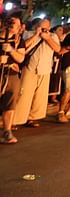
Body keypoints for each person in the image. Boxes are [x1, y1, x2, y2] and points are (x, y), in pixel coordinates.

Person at [14, 17, 60, 128]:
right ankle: (17, 119)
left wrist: (48, 38)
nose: (44, 30)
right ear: (37, 26)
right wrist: (36, 35)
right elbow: (24, 46)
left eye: (46, 28)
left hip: (44, 69)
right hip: (30, 68)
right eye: (41, 27)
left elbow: (57, 49)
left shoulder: (53, 36)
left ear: (49, 28)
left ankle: (32, 117)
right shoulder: (28, 34)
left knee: (40, 96)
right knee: (24, 94)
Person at [0, 13, 26, 144]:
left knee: (10, 104)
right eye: (14, 23)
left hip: (11, 75)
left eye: (17, 24)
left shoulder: (18, 41)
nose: (16, 27)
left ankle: (7, 131)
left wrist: (10, 50)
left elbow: (21, 58)